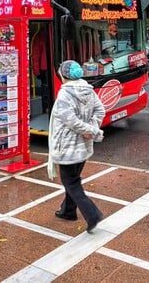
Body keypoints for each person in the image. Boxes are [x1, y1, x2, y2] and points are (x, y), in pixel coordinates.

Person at [47, 60, 105, 232]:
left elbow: (69, 120)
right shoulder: (88, 90)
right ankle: (68, 211)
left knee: (71, 182)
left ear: (64, 76)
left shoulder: (65, 94)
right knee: (72, 179)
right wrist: (92, 128)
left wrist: (90, 130)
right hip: (83, 145)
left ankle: (92, 214)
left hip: (67, 147)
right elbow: (100, 110)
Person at [32, 27, 49, 113]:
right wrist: (37, 70)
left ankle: (46, 107)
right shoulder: (40, 36)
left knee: (45, 87)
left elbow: (36, 54)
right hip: (44, 67)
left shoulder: (40, 35)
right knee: (45, 88)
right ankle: (45, 106)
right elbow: (36, 54)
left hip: (45, 66)